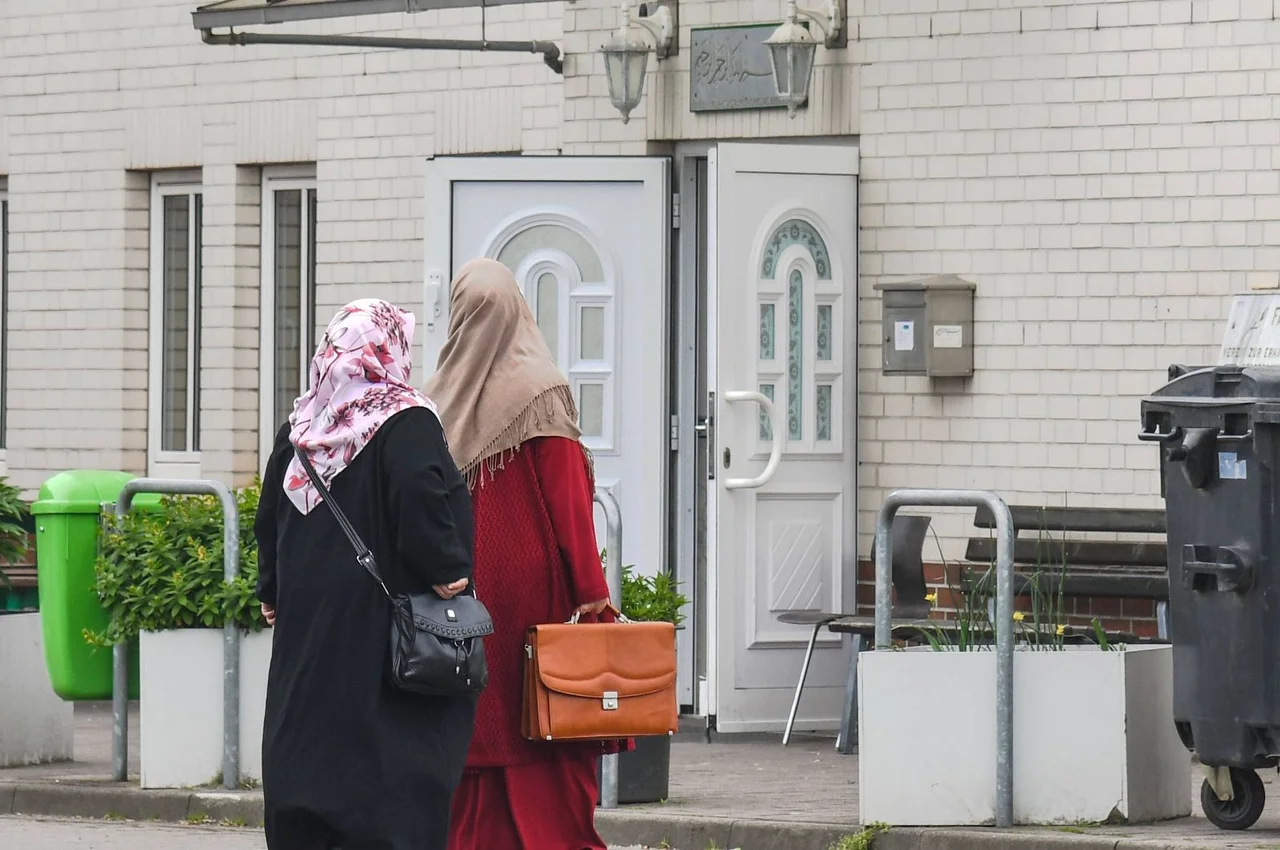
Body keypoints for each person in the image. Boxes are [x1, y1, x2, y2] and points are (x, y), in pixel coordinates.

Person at [255, 298, 477, 850]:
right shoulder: (405, 419)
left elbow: (268, 517)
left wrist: (272, 590)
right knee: (388, 765)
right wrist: (447, 568)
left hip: (309, 632)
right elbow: (421, 494)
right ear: (389, 351)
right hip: (383, 633)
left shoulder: (300, 427)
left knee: (307, 750)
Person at [428, 258, 619, 850]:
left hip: (462, 601)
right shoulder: (541, 393)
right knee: (546, 721)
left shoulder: (433, 403)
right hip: (537, 599)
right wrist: (592, 595)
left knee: (476, 729)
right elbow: (568, 507)